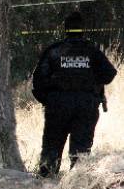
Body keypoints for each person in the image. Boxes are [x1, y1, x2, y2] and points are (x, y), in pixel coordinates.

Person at [32, 11, 117, 177]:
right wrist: (91, 82)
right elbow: (109, 74)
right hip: (86, 105)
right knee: (81, 153)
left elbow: (38, 80)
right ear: (83, 30)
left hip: (58, 105)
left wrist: (48, 100)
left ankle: (46, 182)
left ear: (65, 29)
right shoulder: (92, 51)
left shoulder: (54, 51)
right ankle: (77, 185)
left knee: (52, 147)